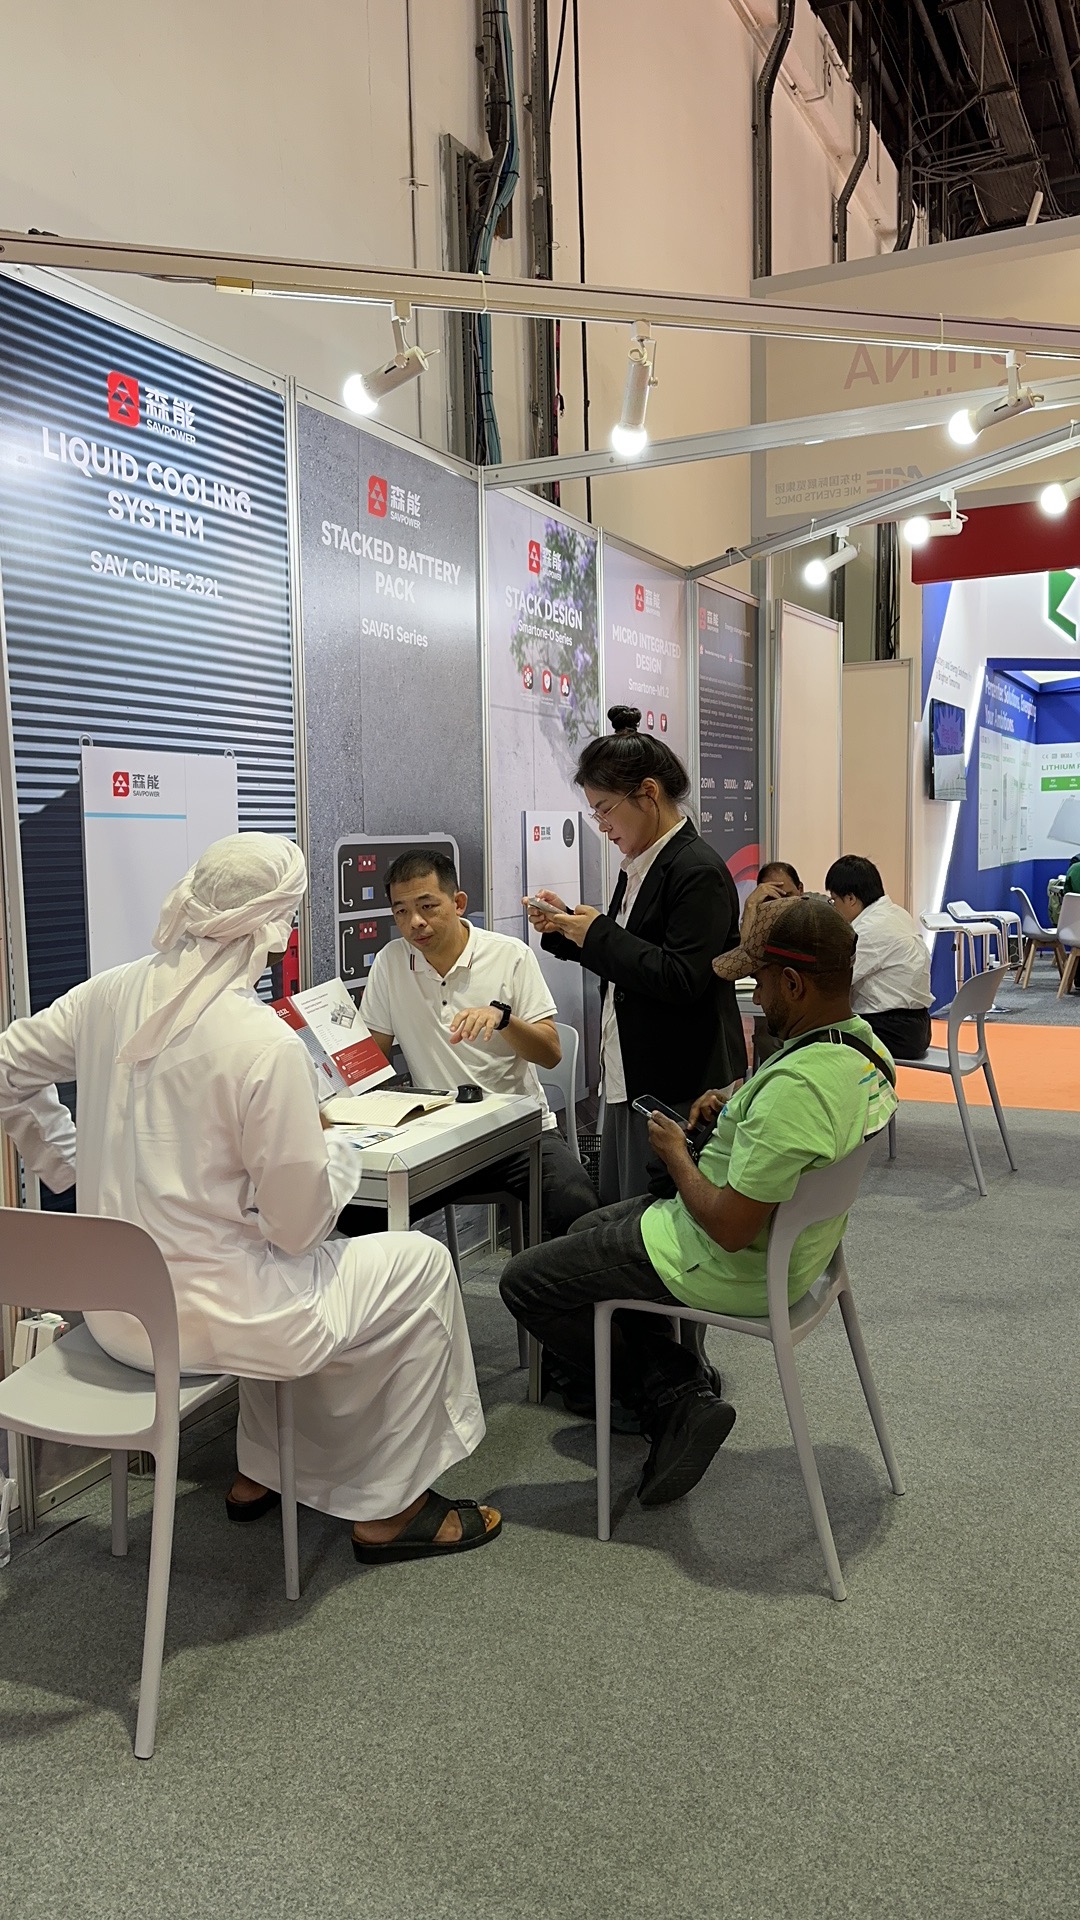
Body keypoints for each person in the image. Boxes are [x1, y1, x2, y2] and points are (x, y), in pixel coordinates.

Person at [0, 834, 500, 1563]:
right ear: (275, 927)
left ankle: (262, 1471)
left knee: (294, 1265)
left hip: (113, 1317)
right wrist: (331, 1154)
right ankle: (393, 1509)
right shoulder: (261, 1042)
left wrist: (63, 1161)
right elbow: (298, 1228)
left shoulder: (105, 995)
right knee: (415, 1264)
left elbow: (6, 1067)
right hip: (216, 1325)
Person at [500, 895, 897, 1509]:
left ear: (793, 982)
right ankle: (675, 1382)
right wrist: (737, 1098)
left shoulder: (796, 1091)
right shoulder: (865, 1053)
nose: (755, 994)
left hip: (720, 1257)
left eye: (761, 980)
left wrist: (675, 1153)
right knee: (582, 1231)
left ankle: (676, 1393)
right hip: (798, 1255)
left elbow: (730, 1229)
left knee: (526, 1283)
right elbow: (796, 1120)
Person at [526, 705, 745, 1207]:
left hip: (681, 1078)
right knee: (623, 1206)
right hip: (634, 1066)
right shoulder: (641, 863)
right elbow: (633, 956)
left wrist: (596, 933)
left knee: (654, 1215)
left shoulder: (696, 870)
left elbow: (681, 977)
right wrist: (567, 929)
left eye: (605, 809)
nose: (601, 825)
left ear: (648, 793)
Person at [355, 849, 598, 1237]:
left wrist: (504, 1020)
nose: (415, 922)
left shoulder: (509, 955)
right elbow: (371, 1060)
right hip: (437, 1140)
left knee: (575, 1204)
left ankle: (544, 1277)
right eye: (401, 911)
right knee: (354, 1213)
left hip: (517, 1135)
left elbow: (551, 1053)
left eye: (427, 906)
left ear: (458, 903)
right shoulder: (390, 962)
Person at [825, 854, 933, 1061]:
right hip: (917, 1027)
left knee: (812, 1036)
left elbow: (834, 981)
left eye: (834, 900)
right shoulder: (896, 913)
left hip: (892, 1030)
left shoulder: (868, 930)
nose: (833, 907)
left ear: (851, 899)